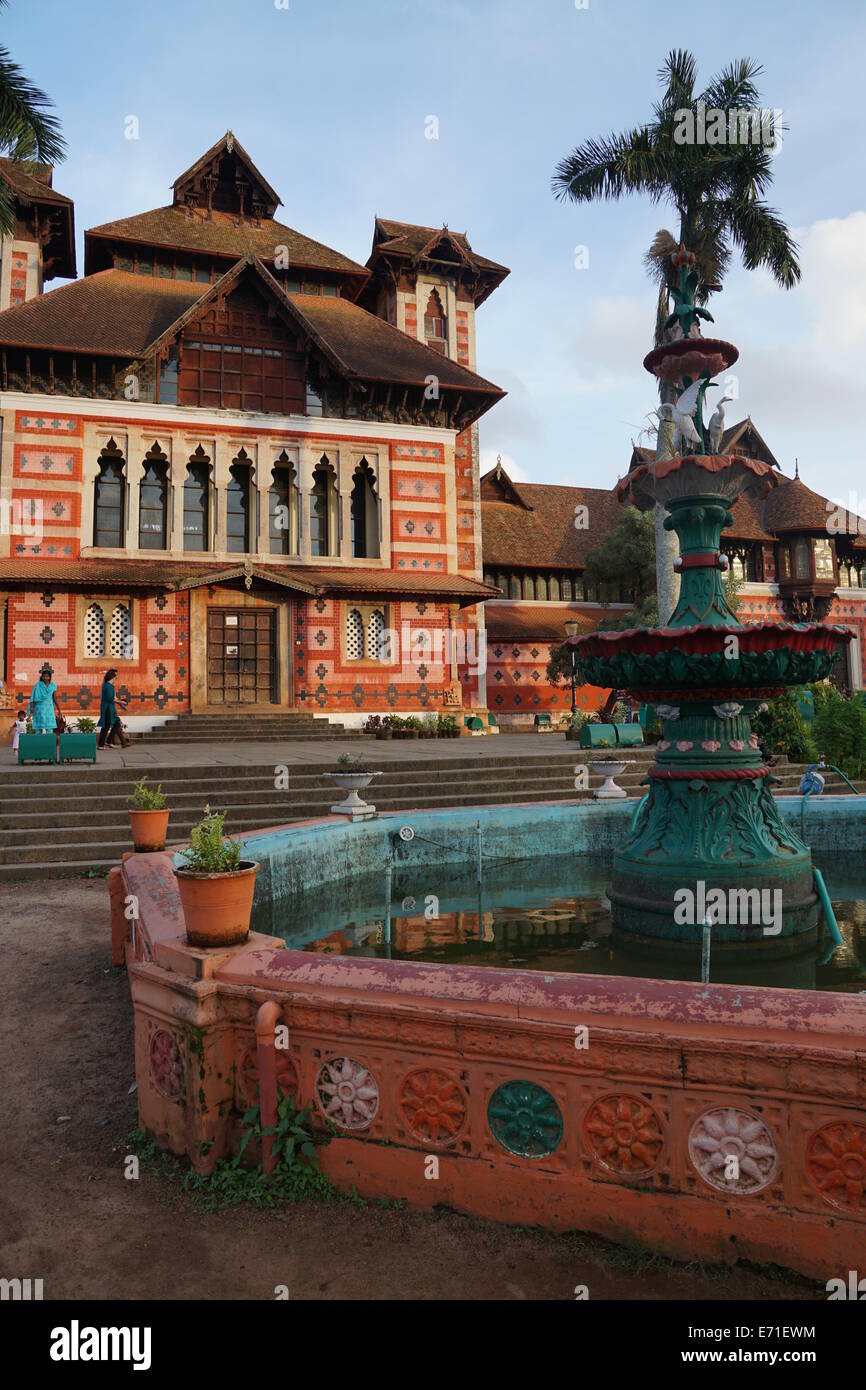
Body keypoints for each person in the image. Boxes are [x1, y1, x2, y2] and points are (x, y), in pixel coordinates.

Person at [97, 668, 130, 749]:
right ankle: (101, 745)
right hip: (107, 708)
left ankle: (108, 742)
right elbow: (110, 699)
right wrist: (122, 702)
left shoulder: (111, 686)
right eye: (116, 677)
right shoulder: (108, 686)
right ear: (113, 677)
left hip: (111, 708)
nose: (116, 678)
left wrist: (121, 705)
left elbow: (114, 698)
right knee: (106, 726)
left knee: (116, 724)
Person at [28, 664, 62, 735]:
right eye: (44, 676)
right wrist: (32, 707)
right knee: (38, 728)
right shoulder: (38, 685)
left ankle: (49, 743)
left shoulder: (53, 686)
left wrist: (59, 710)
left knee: (49, 728)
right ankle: (38, 743)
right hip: (39, 708)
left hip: (49, 709)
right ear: (42, 677)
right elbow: (33, 697)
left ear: (50, 677)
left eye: (47, 676)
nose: (45, 678)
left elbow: (55, 698)